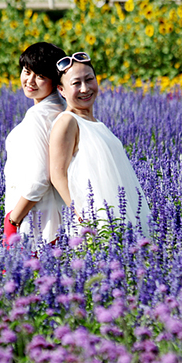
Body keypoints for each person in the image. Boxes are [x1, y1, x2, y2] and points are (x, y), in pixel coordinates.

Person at [48, 52, 153, 236]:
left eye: (89, 80)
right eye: (76, 83)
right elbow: (57, 175)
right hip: (97, 222)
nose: (85, 88)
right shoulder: (67, 122)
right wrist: (82, 215)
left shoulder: (98, 124)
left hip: (120, 217)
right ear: (61, 90)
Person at [2, 42, 67, 247]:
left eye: (40, 76)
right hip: (59, 217)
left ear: (54, 80)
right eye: (27, 71)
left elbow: (39, 179)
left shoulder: (38, 116)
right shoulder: (64, 108)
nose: (30, 80)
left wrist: (13, 220)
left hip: (37, 221)